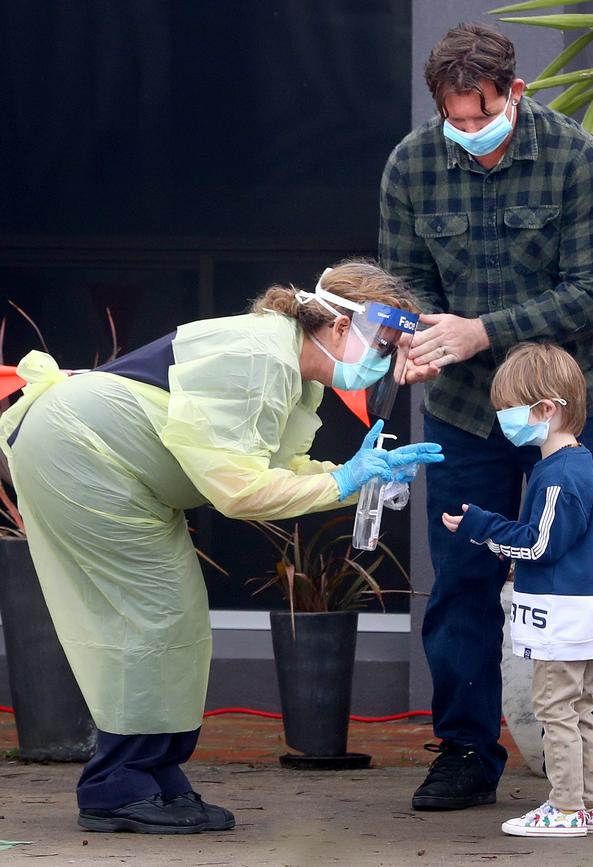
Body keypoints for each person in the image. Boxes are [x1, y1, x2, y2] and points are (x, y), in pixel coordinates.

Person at [0, 259, 444, 835]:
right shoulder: (263, 358)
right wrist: (346, 480)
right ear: (339, 327)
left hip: (103, 462)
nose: (385, 363)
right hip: (80, 454)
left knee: (172, 620)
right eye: (383, 345)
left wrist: (355, 475)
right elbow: (240, 493)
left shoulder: (287, 363)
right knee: (151, 618)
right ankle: (117, 787)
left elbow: (275, 468)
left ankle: (152, 776)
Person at [379, 22, 593, 811]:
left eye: (485, 115)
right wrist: (411, 340)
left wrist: (483, 330)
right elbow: (403, 289)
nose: (472, 131)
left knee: (583, 575)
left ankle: (587, 753)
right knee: (461, 579)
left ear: (515, 93)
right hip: (460, 410)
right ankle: (463, 750)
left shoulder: (573, 157)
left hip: (569, 407)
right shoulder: (412, 164)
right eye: (458, 118)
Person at [443, 342, 593, 836]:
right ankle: (586, 805)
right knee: (579, 707)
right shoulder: (575, 465)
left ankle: (565, 808)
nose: (504, 421)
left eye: (510, 411)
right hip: (587, 615)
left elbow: (539, 546)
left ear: (545, 410)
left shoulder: (559, 475)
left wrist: (482, 527)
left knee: (556, 709)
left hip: (564, 616)